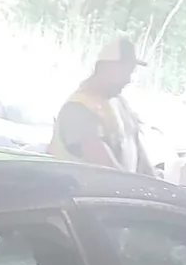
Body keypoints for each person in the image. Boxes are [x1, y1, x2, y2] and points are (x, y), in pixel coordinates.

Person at [50, 36, 153, 174]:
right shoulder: (78, 109)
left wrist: (155, 182)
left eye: (130, 72)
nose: (128, 79)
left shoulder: (119, 103)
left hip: (123, 186)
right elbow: (106, 168)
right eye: (124, 71)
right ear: (104, 68)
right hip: (81, 187)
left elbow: (138, 150)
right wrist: (133, 184)